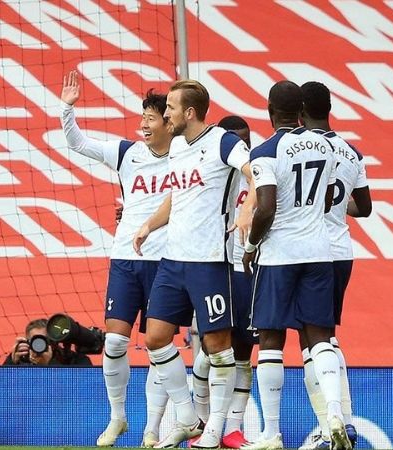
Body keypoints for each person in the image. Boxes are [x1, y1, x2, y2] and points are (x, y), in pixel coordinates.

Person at [133, 79, 256, 448]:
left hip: (208, 262)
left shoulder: (223, 141)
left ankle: (216, 429)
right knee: (155, 339)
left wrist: (248, 208)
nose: (164, 112)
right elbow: (178, 196)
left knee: (219, 347)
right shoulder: (177, 148)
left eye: (169, 107)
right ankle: (189, 418)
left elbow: (255, 173)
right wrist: (148, 224)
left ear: (189, 112)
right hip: (172, 260)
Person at [59, 70, 172, 447]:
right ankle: (118, 417)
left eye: (150, 118)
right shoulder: (127, 153)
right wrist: (67, 109)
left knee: (159, 346)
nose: (142, 124)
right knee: (114, 342)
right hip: (125, 259)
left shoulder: (188, 157)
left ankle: (153, 427)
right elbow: (77, 143)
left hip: (167, 262)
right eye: (142, 118)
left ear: (168, 123)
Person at [241, 81, 351, 450]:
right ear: (302, 111)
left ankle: (271, 432)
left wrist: (252, 243)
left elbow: (266, 208)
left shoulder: (266, 152)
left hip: (280, 255)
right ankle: (334, 414)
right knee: (320, 337)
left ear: (271, 111)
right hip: (320, 251)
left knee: (271, 339)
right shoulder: (328, 145)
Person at [298, 81, 372, 450]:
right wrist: (335, 210)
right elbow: (365, 207)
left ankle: (331, 424)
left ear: (300, 111)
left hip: (309, 251)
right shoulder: (351, 151)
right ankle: (340, 420)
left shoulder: (298, 149)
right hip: (342, 250)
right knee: (325, 336)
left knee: (313, 341)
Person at [189, 115, 258, 449]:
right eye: (234, 140)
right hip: (213, 267)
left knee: (244, 350)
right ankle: (203, 421)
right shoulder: (207, 173)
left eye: (245, 140)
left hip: (249, 272)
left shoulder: (258, 175)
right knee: (210, 349)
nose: (240, 146)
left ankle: (232, 427)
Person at [4, 318, 93, 366]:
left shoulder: (74, 360)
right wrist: (12, 363)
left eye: (45, 340)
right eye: (35, 341)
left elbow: (78, 391)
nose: (40, 345)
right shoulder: (21, 358)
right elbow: (0, 388)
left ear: (54, 342)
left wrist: (49, 365)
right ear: (28, 343)